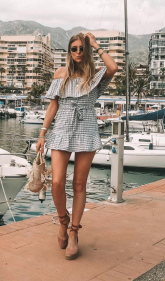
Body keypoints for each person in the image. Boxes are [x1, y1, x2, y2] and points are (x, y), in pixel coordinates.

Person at [36, 32, 118, 260]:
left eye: (82, 48)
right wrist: (42, 133)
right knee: (56, 182)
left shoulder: (94, 75)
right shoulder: (60, 74)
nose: (79, 52)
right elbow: (53, 105)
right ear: (69, 51)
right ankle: (63, 221)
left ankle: (74, 232)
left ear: (87, 50)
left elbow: (113, 68)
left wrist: (96, 44)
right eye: (74, 48)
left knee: (79, 184)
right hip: (61, 128)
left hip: (86, 128)